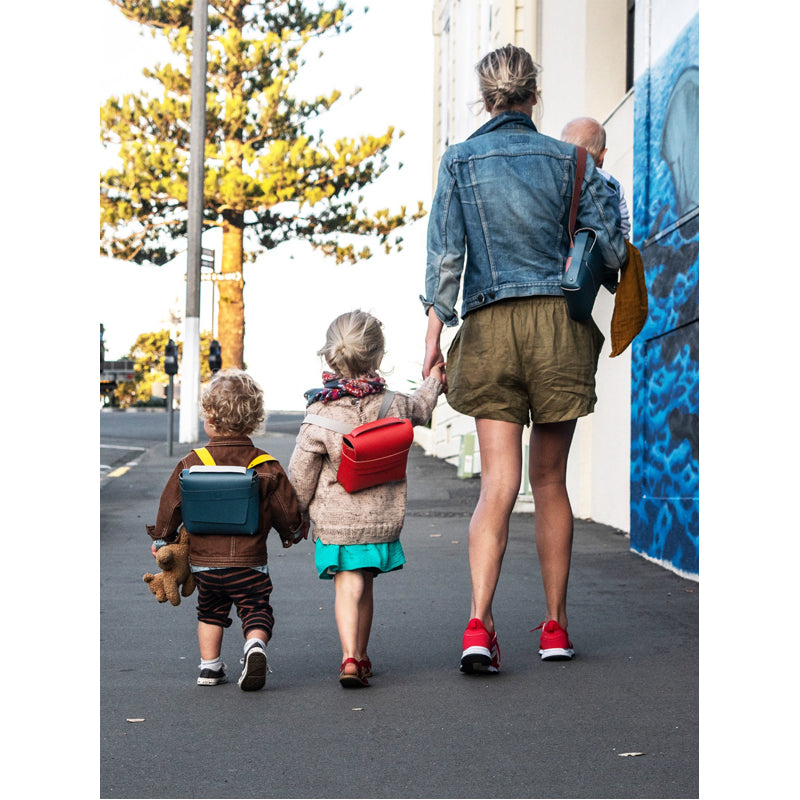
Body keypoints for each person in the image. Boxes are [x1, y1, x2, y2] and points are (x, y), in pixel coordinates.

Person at [421, 45, 627, 672]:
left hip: (489, 327)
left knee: (498, 485)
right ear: (534, 95)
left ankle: (479, 625)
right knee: (550, 482)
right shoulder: (573, 161)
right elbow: (612, 252)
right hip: (558, 329)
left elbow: (446, 260)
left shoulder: (459, 161)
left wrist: (432, 340)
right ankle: (555, 627)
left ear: (485, 98)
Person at [288, 310, 444, 688]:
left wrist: (295, 518)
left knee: (348, 585)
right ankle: (361, 654)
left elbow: (300, 475)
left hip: (337, 524)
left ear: (331, 356)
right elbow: (422, 407)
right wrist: (434, 381)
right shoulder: (394, 404)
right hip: (379, 520)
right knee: (365, 585)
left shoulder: (319, 414)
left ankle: (349, 657)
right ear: (378, 355)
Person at [147, 369, 307, 691]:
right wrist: (293, 531)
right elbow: (286, 509)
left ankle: (210, 668)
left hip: (204, 564)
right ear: (254, 420)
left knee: (210, 612)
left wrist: (163, 537)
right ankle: (255, 646)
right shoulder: (265, 465)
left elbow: (171, 506)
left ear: (209, 419)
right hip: (250, 562)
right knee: (256, 608)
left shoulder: (191, 463)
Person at [561, 116, 631, 240]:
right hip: (604, 249)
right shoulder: (612, 185)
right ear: (602, 155)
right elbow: (623, 229)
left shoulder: (557, 177)